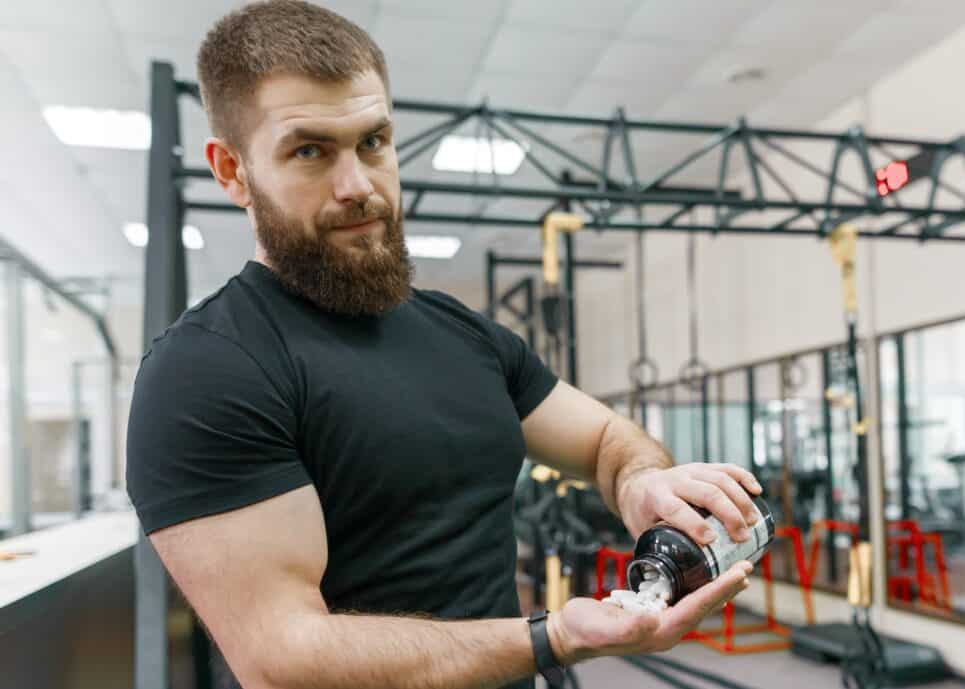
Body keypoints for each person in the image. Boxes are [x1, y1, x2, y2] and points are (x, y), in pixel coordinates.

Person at [124, 3, 763, 688]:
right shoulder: (206, 371)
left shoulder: (461, 333)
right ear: (232, 170)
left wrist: (642, 480)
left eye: (374, 142)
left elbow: (606, 439)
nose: (358, 185)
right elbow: (284, 655)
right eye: (310, 150)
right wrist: (552, 636)